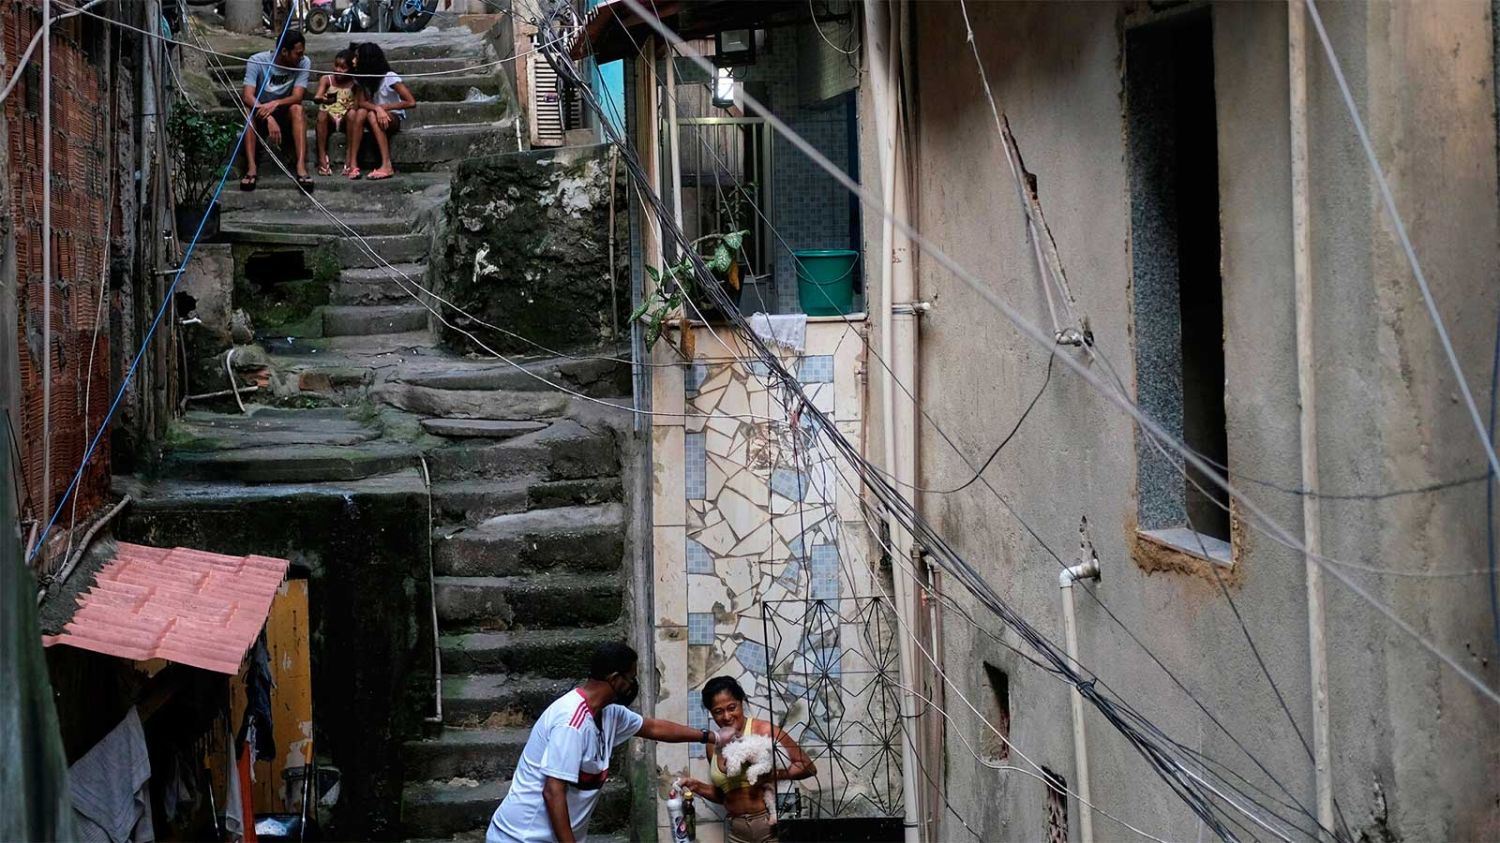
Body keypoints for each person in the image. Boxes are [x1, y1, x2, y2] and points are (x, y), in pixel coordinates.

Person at [487, 643, 736, 843]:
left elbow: (654, 727)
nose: (633, 686)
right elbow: (553, 791)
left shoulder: (609, 715)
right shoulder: (571, 723)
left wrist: (712, 737)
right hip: (521, 836)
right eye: (631, 678)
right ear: (615, 679)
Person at [679, 676, 816, 843]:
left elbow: (808, 767)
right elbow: (725, 795)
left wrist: (770, 776)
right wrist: (697, 787)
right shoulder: (712, 745)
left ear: (741, 702)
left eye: (732, 708)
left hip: (773, 826)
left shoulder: (764, 730)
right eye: (718, 711)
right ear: (711, 713)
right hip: (737, 833)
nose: (727, 716)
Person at [239, 30, 313, 191]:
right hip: (260, 112)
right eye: (297, 53)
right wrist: (268, 116)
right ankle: (251, 168)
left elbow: (297, 96)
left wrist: (276, 103)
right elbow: (248, 96)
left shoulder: (303, 62)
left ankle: (301, 166)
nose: (301, 57)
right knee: (248, 111)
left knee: (298, 109)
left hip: (284, 113)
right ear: (284, 51)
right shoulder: (257, 61)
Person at [346, 42, 415, 181]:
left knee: (371, 115)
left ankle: (386, 165)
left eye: (357, 57)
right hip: (375, 114)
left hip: (392, 118)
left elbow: (411, 102)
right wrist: (377, 108)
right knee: (361, 112)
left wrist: (384, 108)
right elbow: (362, 103)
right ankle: (352, 164)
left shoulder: (389, 77)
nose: (353, 61)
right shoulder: (364, 78)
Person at [313, 49, 357, 178]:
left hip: (345, 118)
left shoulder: (354, 83)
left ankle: (349, 155)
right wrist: (323, 99)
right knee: (322, 113)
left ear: (350, 69)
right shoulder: (327, 79)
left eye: (343, 68)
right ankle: (322, 157)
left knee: (352, 114)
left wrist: (352, 106)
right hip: (330, 116)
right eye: (336, 65)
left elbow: (358, 102)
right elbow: (317, 97)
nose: (338, 70)